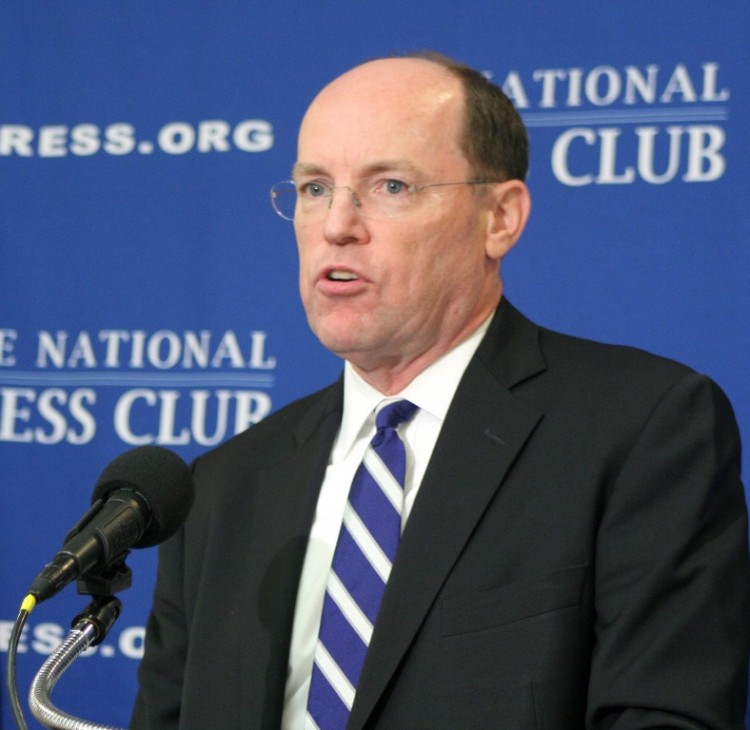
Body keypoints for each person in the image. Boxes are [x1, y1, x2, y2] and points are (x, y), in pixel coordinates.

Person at [131, 52, 750, 729]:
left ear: (500, 218)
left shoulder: (640, 429)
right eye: (314, 188)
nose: (338, 225)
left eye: (390, 186)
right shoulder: (224, 485)